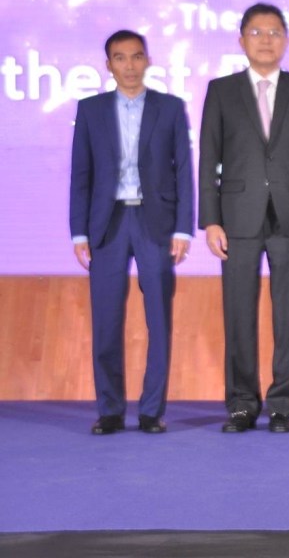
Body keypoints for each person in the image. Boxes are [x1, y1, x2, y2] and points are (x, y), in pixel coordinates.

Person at [198, 2, 289, 434]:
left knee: (288, 314)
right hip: (237, 216)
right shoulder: (221, 90)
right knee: (238, 313)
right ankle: (241, 403)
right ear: (241, 40)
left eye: (274, 32)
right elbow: (208, 157)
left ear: (286, 40)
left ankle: (282, 405)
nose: (266, 40)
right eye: (257, 32)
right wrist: (211, 220)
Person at [70, 29, 194, 435]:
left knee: (158, 317)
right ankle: (109, 410)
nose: (129, 65)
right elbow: (81, 174)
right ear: (108, 65)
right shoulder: (91, 110)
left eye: (137, 56)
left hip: (155, 222)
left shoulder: (170, 108)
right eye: (120, 58)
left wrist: (184, 228)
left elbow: (184, 170)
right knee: (106, 319)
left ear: (148, 61)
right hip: (106, 224)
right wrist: (78, 233)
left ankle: (151, 411)